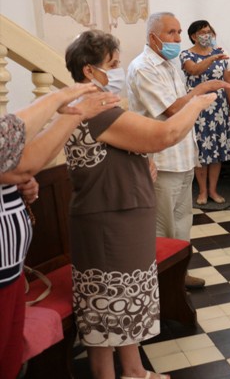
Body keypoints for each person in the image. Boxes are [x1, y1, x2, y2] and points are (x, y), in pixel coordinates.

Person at [64, 29, 219, 379]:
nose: (119, 70)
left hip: (121, 213)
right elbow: (162, 135)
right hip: (108, 219)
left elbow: (133, 143)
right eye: (113, 64)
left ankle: (133, 371)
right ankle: (109, 375)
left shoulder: (102, 104)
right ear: (89, 70)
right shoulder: (94, 109)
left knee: (125, 297)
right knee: (106, 301)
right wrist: (196, 103)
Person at [0, 84, 114, 379]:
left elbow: (14, 167)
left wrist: (16, 188)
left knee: (8, 362)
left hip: (10, 271)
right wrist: (67, 107)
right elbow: (15, 155)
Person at [128, 12, 230, 290]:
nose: (177, 38)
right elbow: (173, 108)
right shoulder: (143, 68)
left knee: (182, 221)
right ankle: (162, 283)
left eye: (177, 32)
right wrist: (203, 89)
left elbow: (181, 102)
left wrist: (195, 95)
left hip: (183, 155)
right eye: (172, 33)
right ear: (153, 37)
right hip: (162, 160)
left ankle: (179, 274)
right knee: (163, 226)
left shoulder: (170, 62)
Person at [180, 20, 230, 205]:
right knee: (201, 150)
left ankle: (213, 190)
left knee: (217, 151)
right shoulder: (186, 55)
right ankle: (202, 191)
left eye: (209, 32)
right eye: (203, 32)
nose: (207, 35)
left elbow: (228, 82)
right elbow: (194, 70)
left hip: (218, 109)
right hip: (197, 108)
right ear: (193, 36)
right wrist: (212, 57)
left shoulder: (222, 55)